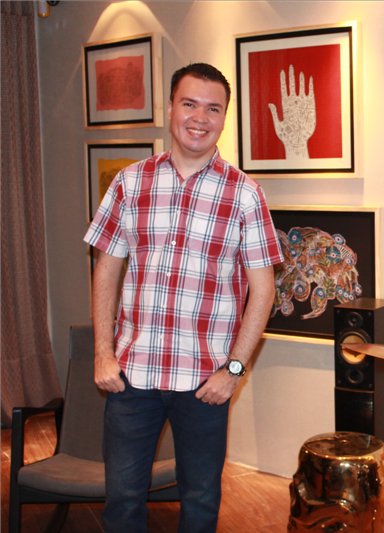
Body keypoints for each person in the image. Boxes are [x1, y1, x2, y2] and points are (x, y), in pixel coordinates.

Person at [84, 63, 284, 533]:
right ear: (169, 107)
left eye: (213, 108)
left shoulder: (245, 194)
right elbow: (106, 269)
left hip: (205, 382)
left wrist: (234, 370)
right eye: (189, 104)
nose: (200, 117)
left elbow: (264, 289)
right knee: (122, 501)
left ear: (224, 117)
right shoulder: (130, 183)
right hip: (132, 376)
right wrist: (103, 354)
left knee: (200, 502)